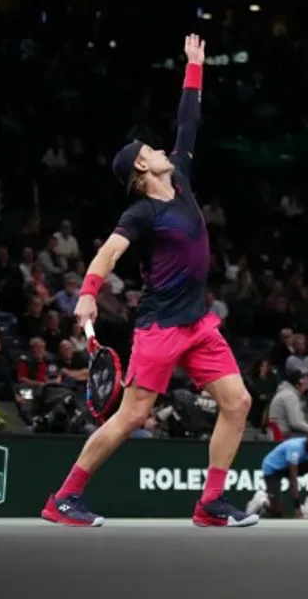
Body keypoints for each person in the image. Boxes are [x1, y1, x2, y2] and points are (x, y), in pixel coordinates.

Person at [42, 34, 257, 529]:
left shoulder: (178, 176)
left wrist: (194, 68)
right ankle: (64, 497)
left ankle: (209, 504)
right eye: (151, 149)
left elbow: (188, 123)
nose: (162, 149)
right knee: (133, 415)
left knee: (238, 401)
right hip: (160, 326)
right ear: (142, 165)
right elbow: (109, 251)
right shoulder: (140, 213)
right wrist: (88, 294)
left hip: (198, 322)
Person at [245, 426, 308, 519]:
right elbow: (293, 478)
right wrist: (297, 507)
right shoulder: (296, 447)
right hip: (273, 468)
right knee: (277, 512)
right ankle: (261, 501)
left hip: (288, 467)